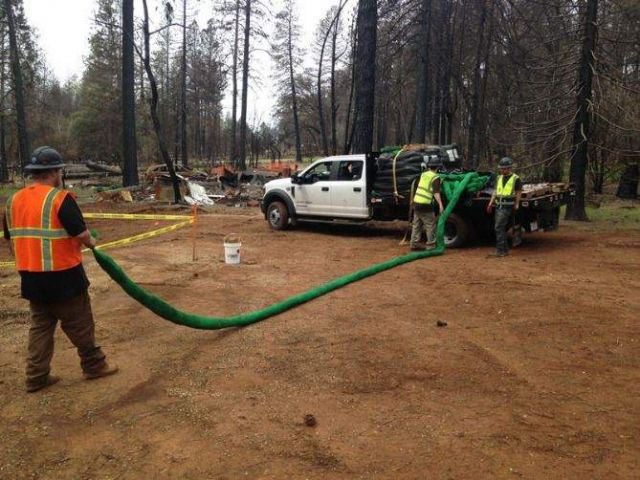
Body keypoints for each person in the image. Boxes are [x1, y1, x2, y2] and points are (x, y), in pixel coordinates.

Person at [3, 146, 118, 393]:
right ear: (54, 171)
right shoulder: (60, 199)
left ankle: (36, 376)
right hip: (64, 277)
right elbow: (82, 234)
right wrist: (93, 243)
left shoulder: (13, 201)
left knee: (41, 326)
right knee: (80, 322)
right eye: (59, 171)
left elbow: (11, 238)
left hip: (31, 278)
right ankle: (94, 365)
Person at [486, 156, 523, 257]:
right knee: (500, 227)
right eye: (501, 168)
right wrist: (490, 203)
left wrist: (517, 203)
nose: (503, 170)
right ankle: (504, 249)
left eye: (505, 168)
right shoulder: (499, 178)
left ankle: (500, 251)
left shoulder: (516, 178)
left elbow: (519, 192)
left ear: (510, 168)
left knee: (498, 227)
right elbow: (495, 191)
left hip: (508, 206)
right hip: (499, 205)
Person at [410, 157, 445, 251]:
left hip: (416, 202)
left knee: (417, 224)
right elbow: (436, 193)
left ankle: (414, 244)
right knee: (430, 224)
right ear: (438, 167)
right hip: (425, 204)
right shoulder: (435, 177)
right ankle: (431, 246)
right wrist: (441, 204)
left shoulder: (424, 174)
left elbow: (426, 185)